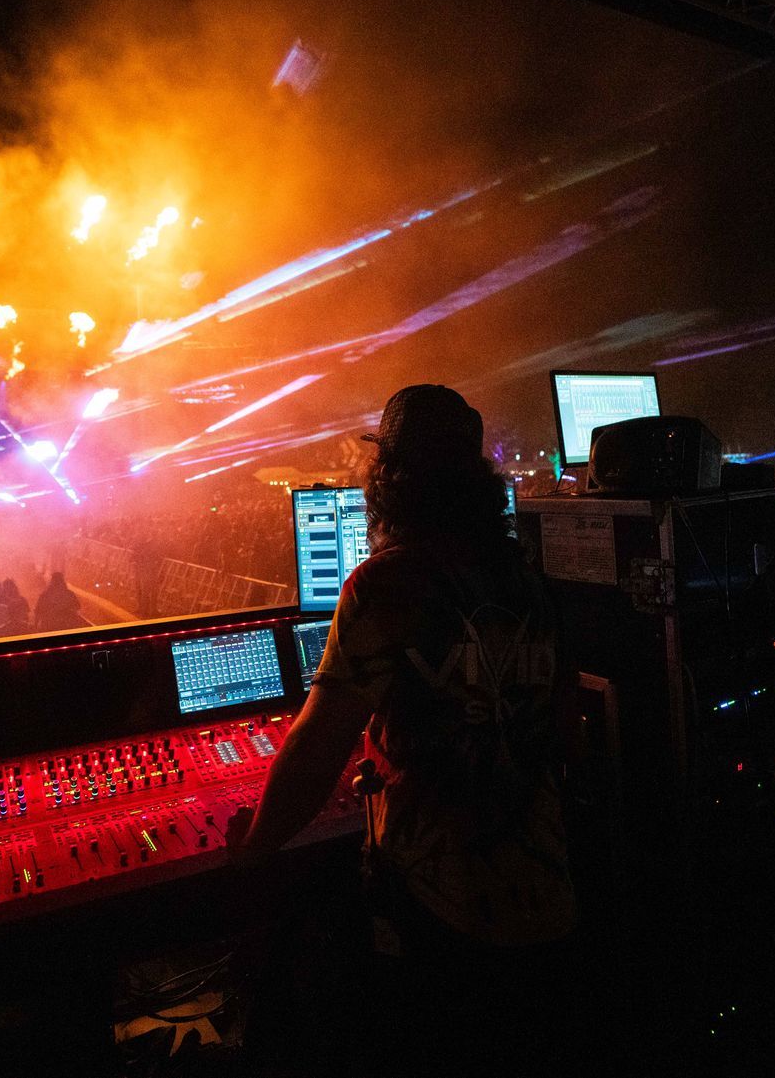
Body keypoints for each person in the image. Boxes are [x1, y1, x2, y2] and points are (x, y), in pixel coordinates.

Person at [226, 384, 580, 1076]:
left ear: (388, 479)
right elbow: (558, 734)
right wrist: (404, 759)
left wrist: (254, 846)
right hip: (550, 907)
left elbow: (313, 753)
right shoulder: (528, 580)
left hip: (444, 926)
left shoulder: (383, 586)